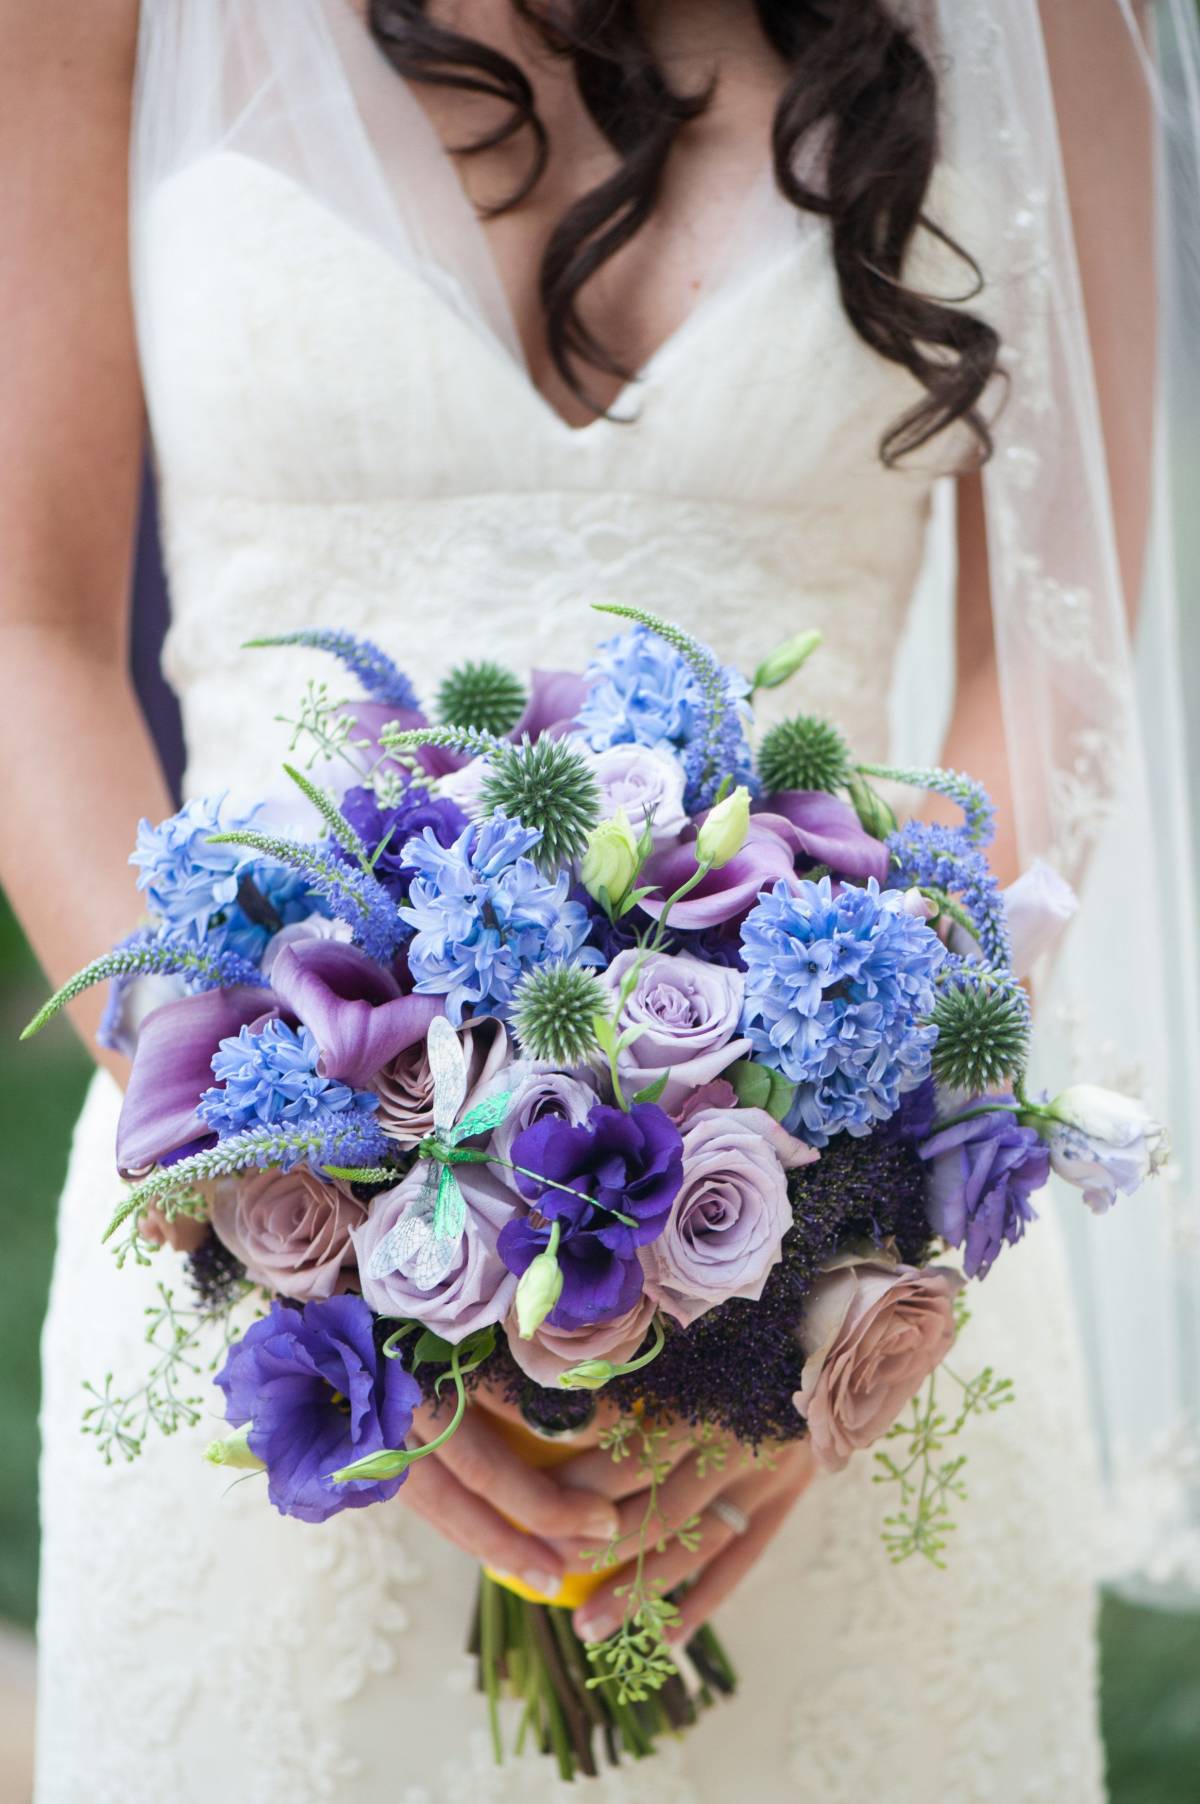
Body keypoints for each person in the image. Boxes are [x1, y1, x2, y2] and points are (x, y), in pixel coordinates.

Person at [0, 3, 1172, 1799]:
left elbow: (1055, 666)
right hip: (251, 1265)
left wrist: (849, 1267)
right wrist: (275, 1199)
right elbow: (28, 641)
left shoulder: (1033, 21)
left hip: (844, 1273)